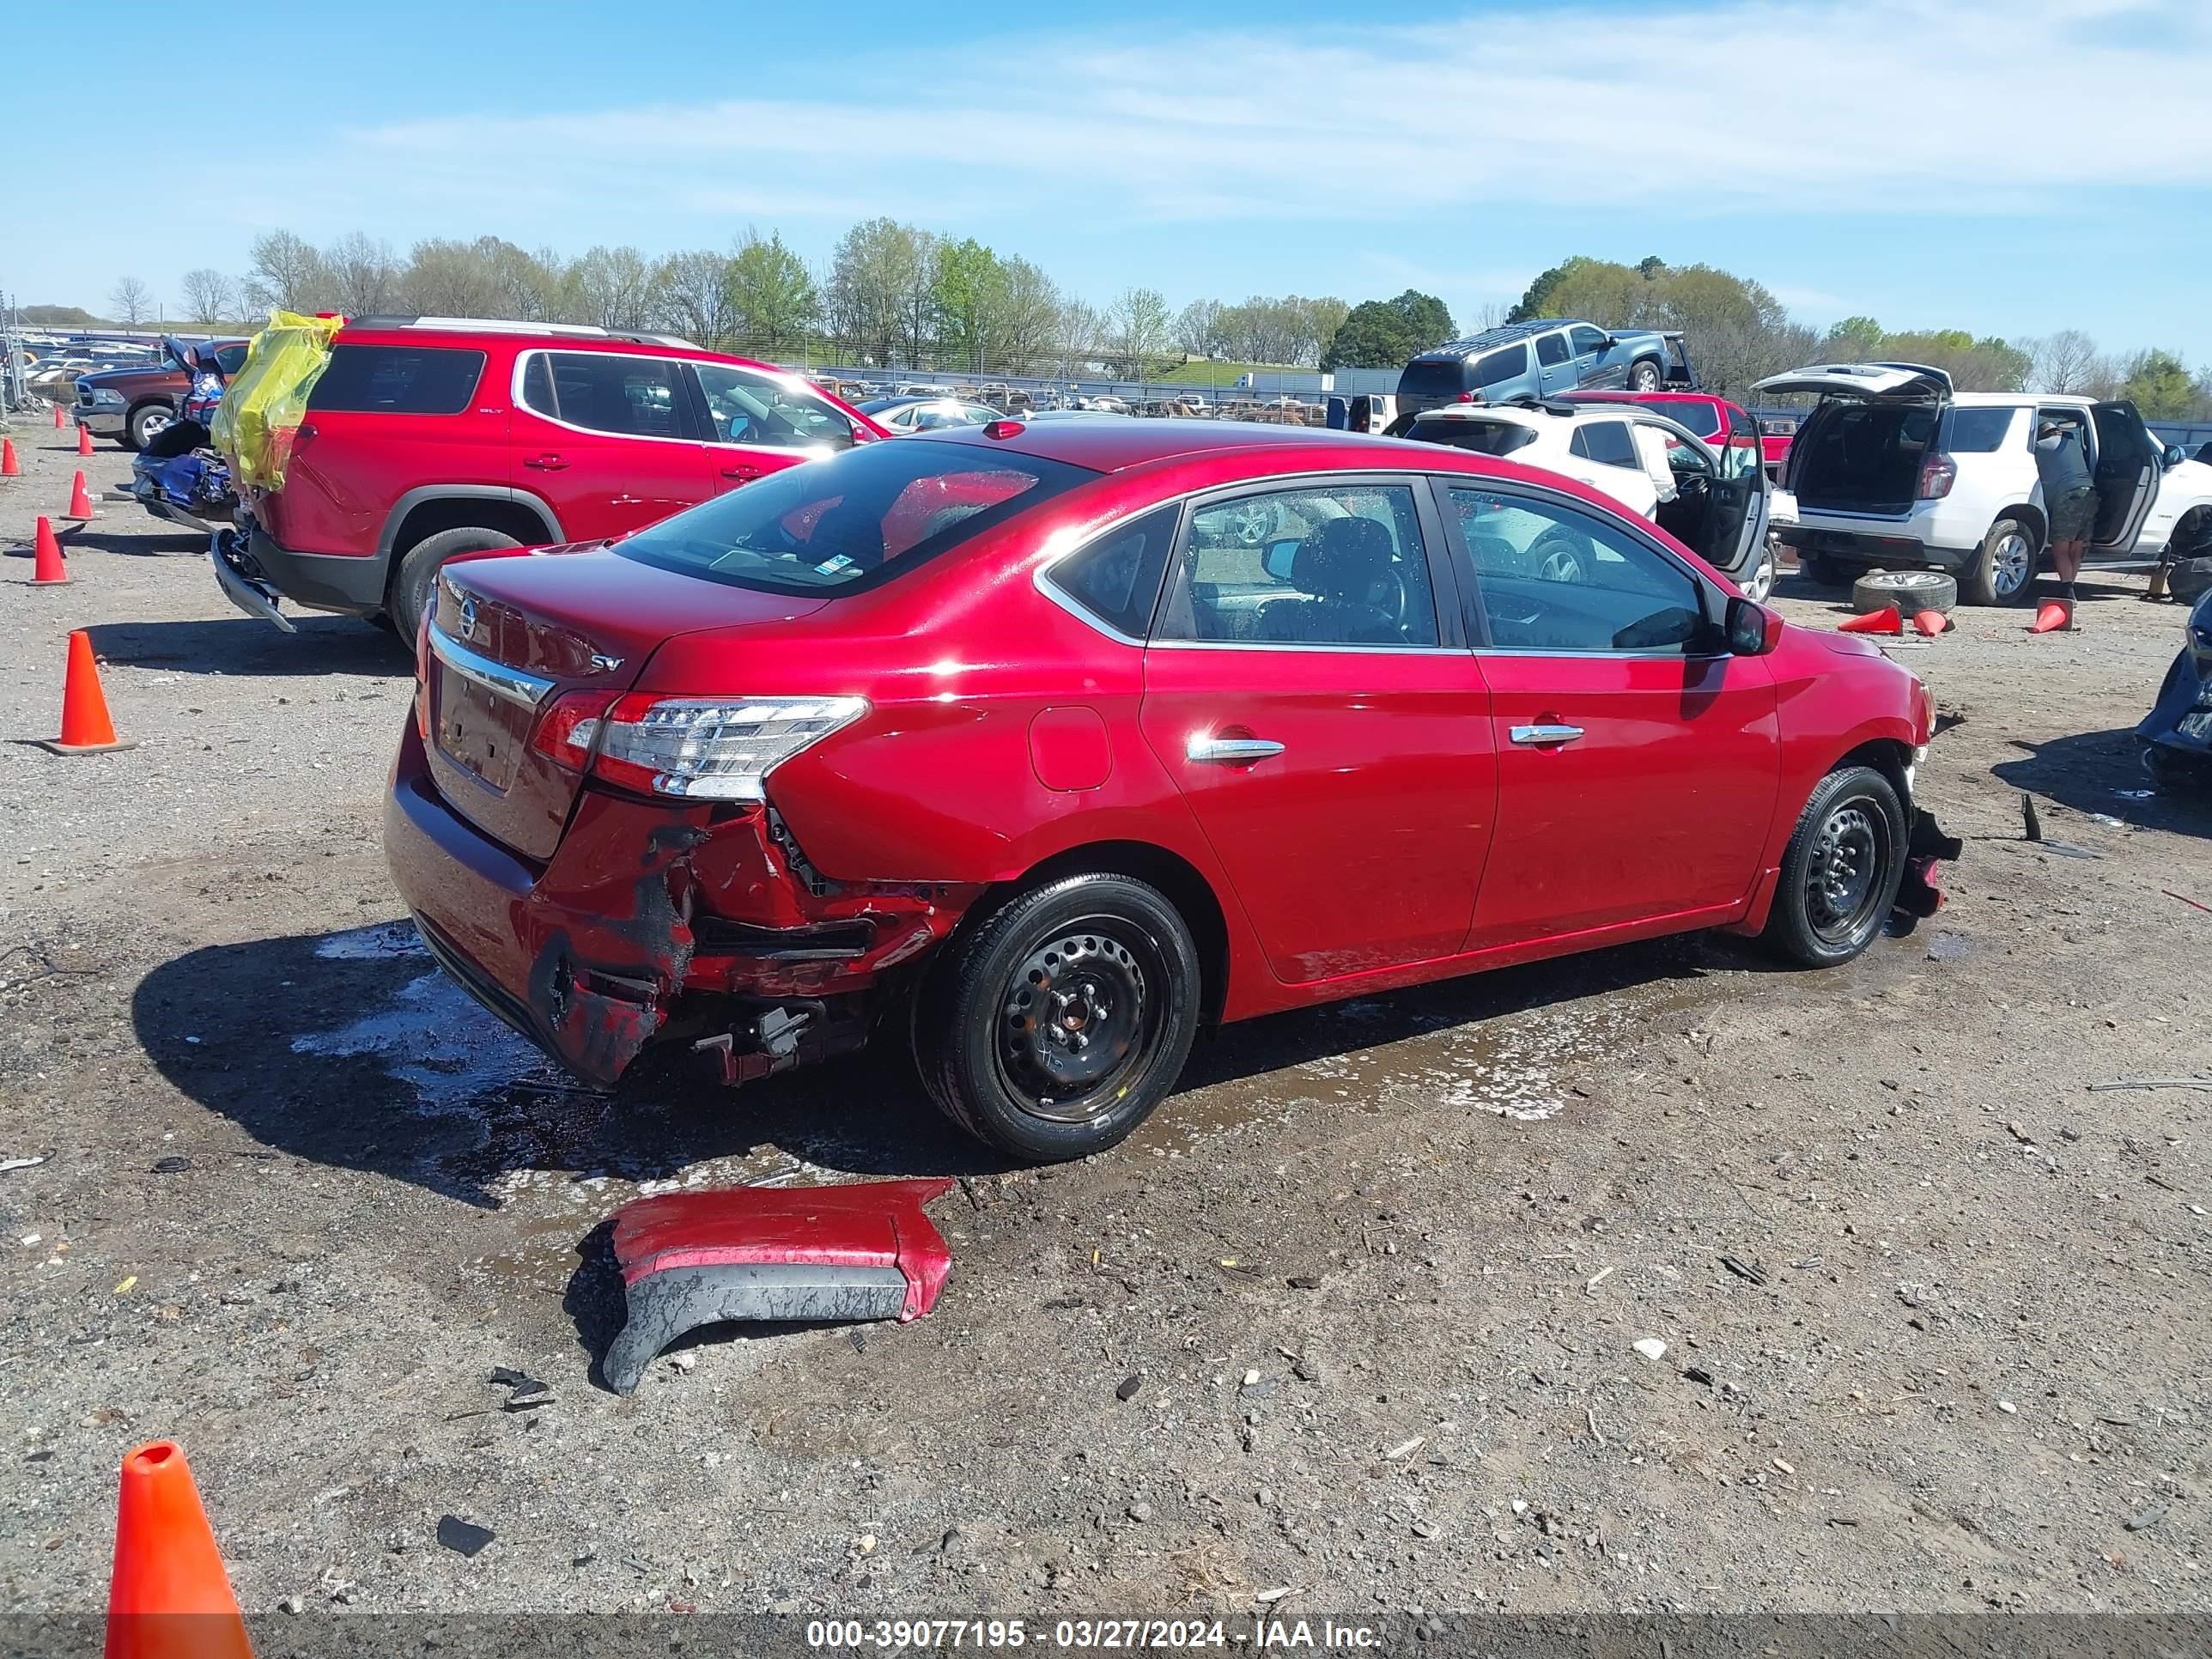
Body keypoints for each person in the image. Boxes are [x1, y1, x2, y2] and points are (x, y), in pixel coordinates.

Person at [2030, 417, 2096, 632]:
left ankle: (2066, 590)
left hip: (2068, 497)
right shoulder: (2073, 444)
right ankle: (2070, 587)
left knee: (2060, 547)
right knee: (2077, 546)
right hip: (2090, 493)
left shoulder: (2039, 447)